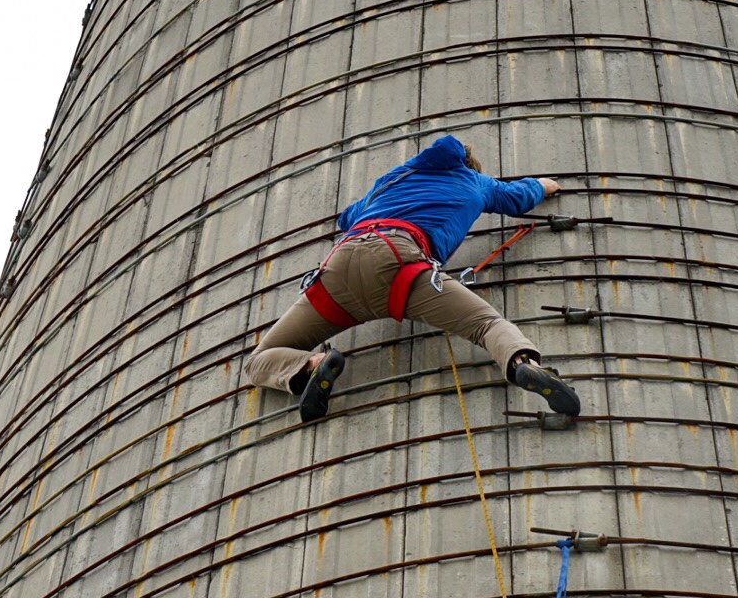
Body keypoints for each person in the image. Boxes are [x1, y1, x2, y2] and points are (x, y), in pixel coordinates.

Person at [244, 135, 581, 422]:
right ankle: (523, 363)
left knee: (258, 361)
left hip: (338, 272)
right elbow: (514, 197)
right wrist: (544, 185)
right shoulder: (475, 182)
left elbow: (346, 218)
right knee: (486, 325)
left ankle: (312, 364)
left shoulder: (393, 178)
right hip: (400, 266)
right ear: (469, 167)